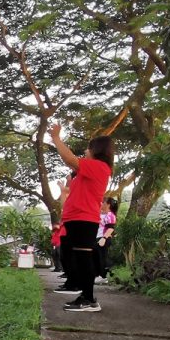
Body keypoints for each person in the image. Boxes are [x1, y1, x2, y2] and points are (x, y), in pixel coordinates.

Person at [51, 123, 114, 312]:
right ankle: (82, 293)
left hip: (84, 220)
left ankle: (89, 299)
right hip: (75, 219)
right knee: (75, 258)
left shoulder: (100, 167)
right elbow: (72, 194)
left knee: (83, 258)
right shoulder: (86, 172)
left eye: (89, 148)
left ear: (97, 150)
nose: (86, 151)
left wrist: (56, 138)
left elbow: (69, 159)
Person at [96, 197, 118, 284]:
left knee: (102, 257)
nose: (102, 203)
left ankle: (104, 276)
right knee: (98, 257)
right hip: (98, 237)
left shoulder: (110, 215)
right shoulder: (101, 214)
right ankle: (99, 275)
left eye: (103, 202)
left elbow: (110, 228)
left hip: (104, 238)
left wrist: (104, 238)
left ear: (108, 204)